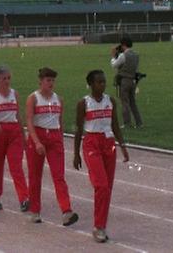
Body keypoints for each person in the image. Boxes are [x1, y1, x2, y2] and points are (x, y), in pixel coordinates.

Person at [73, 70, 129, 243]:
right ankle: (98, 226)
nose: (102, 85)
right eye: (99, 82)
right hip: (92, 142)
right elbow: (78, 129)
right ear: (91, 84)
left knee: (107, 188)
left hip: (108, 143)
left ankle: (101, 226)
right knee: (101, 185)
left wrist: (123, 146)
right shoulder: (84, 103)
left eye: (104, 82)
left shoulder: (110, 101)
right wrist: (76, 154)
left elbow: (115, 125)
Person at [25, 67, 78, 226]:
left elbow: (60, 121)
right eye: (48, 80)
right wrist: (36, 142)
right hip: (38, 136)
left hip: (54, 138)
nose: (51, 83)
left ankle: (66, 211)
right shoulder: (33, 99)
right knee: (35, 176)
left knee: (59, 175)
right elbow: (28, 121)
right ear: (40, 81)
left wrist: (60, 139)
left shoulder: (58, 99)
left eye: (53, 80)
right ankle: (35, 211)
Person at [0, 65, 29, 212]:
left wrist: (23, 136)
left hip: (13, 132)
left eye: (8, 78)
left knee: (16, 166)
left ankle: (24, 198)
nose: (7, 81)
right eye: (4, 78)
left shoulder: (14, 94)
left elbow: (18, 115)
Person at [110, 37, 143, 128]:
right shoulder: (136, 55)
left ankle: (127, 123)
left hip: (124, 80)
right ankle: (139, 122)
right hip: (133, 80)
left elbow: (114, 65)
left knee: (125, 102)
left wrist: (113, 56)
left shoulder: (123, 55)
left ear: (123, 44)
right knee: (133, 102)